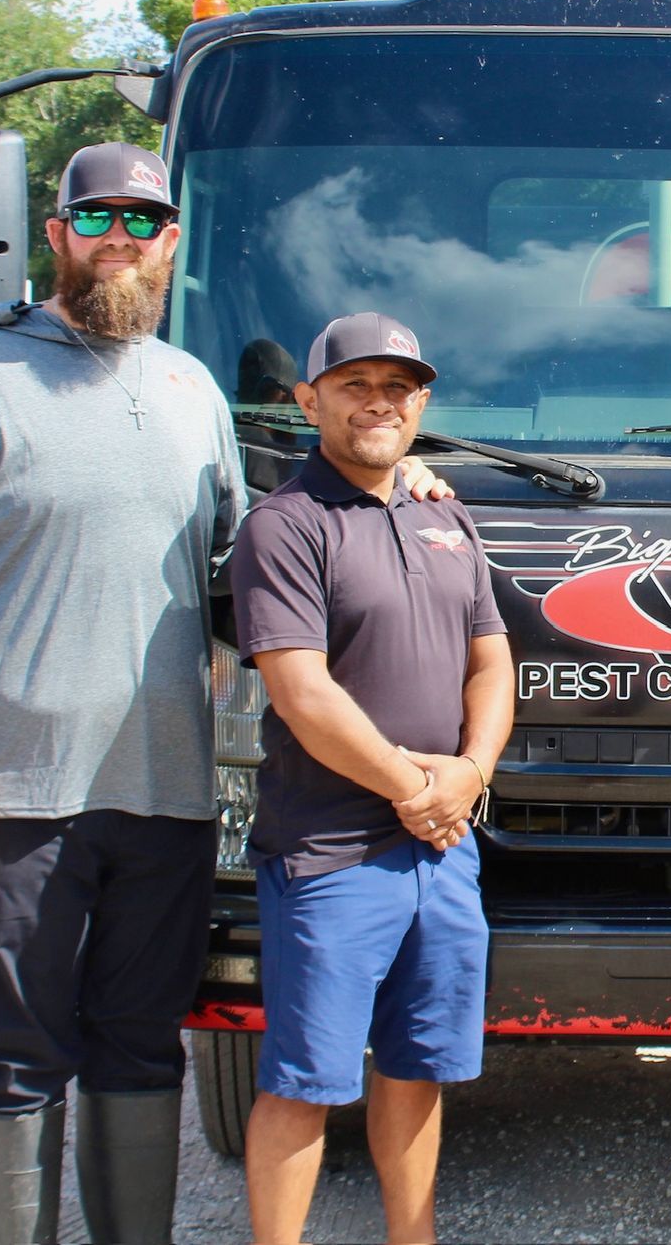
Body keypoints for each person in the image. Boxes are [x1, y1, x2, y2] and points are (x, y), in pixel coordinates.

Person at [0, 142, 241, 1245]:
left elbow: (238, 575)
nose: (119, 239)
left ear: (172, 241)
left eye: (143, 220)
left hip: (167, 791)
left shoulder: (190, 389)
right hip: (11, 795)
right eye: (98, 219)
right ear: (57, 235)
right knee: (22, 1056)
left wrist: (386, 492)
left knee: (138, 1042)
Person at [230, 312, 514, 1245]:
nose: (379, 402)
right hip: (331, 854)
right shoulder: (283, 525)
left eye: (399, 386)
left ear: (422, 401)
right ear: (310, 399)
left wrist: (470, 774)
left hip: (442, 850)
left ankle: (413, 1236)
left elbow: (492, 664)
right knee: (303, 1081)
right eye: (355, 385)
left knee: (417, 1066)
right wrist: (417, 786)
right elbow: (301, 690)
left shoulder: (444, 512)